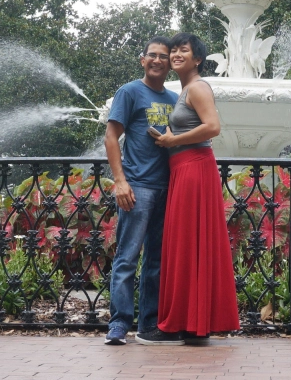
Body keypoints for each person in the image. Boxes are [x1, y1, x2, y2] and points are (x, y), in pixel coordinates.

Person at [152, 32, 240, 343]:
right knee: (186, 243)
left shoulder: (198, 87)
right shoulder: (185, 89)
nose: (176, 54)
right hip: (183, 169)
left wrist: (172, 140)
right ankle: (192, 322)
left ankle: (189, 323)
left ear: (197, 59)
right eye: (173, 50)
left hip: (193, 167)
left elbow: (213, 127)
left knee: (189, 242)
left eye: (183, 51)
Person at [103, 36, 183, 346]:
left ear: (169, 63)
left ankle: (150, 325)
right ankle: (119, 324)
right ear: (143, 60)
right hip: (138, 187)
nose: (158, 60)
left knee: (157, 261)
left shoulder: (175, 99)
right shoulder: (130, 92)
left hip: (169, 188)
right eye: (153, 55)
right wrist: (120, 181)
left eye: (164, 56)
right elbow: (111, 137)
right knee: (127, 257)